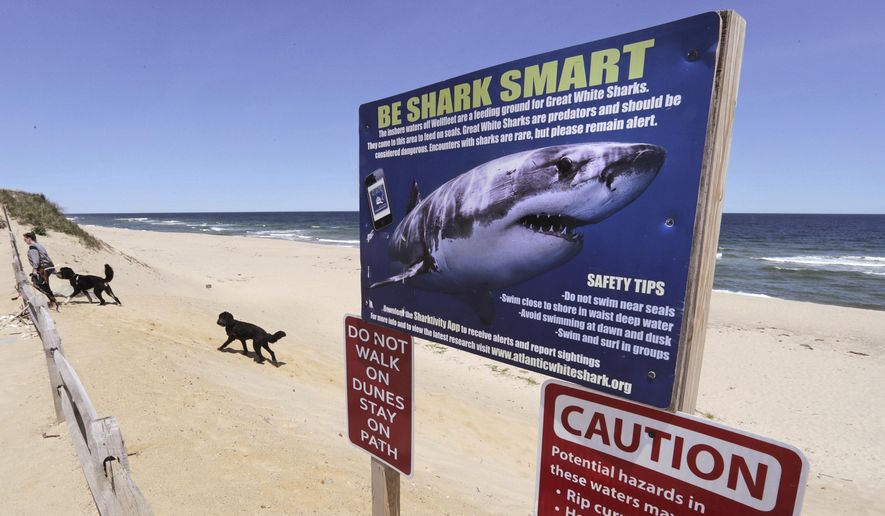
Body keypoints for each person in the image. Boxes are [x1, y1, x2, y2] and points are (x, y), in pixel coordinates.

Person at [23, 232, 59, 310]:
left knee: (39, 285)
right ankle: (53, 301)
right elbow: (47, 257)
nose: (25, 241)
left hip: (42, 269)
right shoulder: (39, 245)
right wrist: (52, 269)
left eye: (25, 239)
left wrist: (34, 270)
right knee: (44, 285)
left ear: (29, 238)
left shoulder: (32, 248)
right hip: (47, 268)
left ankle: (53, 302)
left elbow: (36, 261)